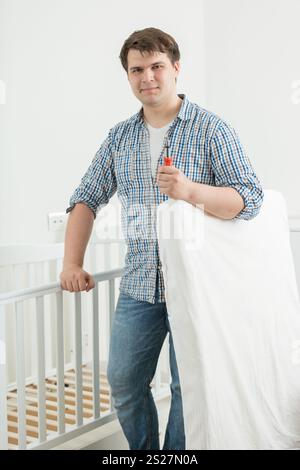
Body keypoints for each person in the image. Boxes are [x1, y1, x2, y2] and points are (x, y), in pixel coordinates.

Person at [60, 27, 264, 450]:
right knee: (123, 381)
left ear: (175, 68)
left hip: (196, 287)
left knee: (187, 386)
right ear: (128, 76)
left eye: (156, 66)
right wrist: (71, 263)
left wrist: (190, 191)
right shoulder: (120, 137)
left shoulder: (211, 130)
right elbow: (85, 199)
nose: (147, 77)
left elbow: (249, 200)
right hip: (139, 286)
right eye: (137, 69)